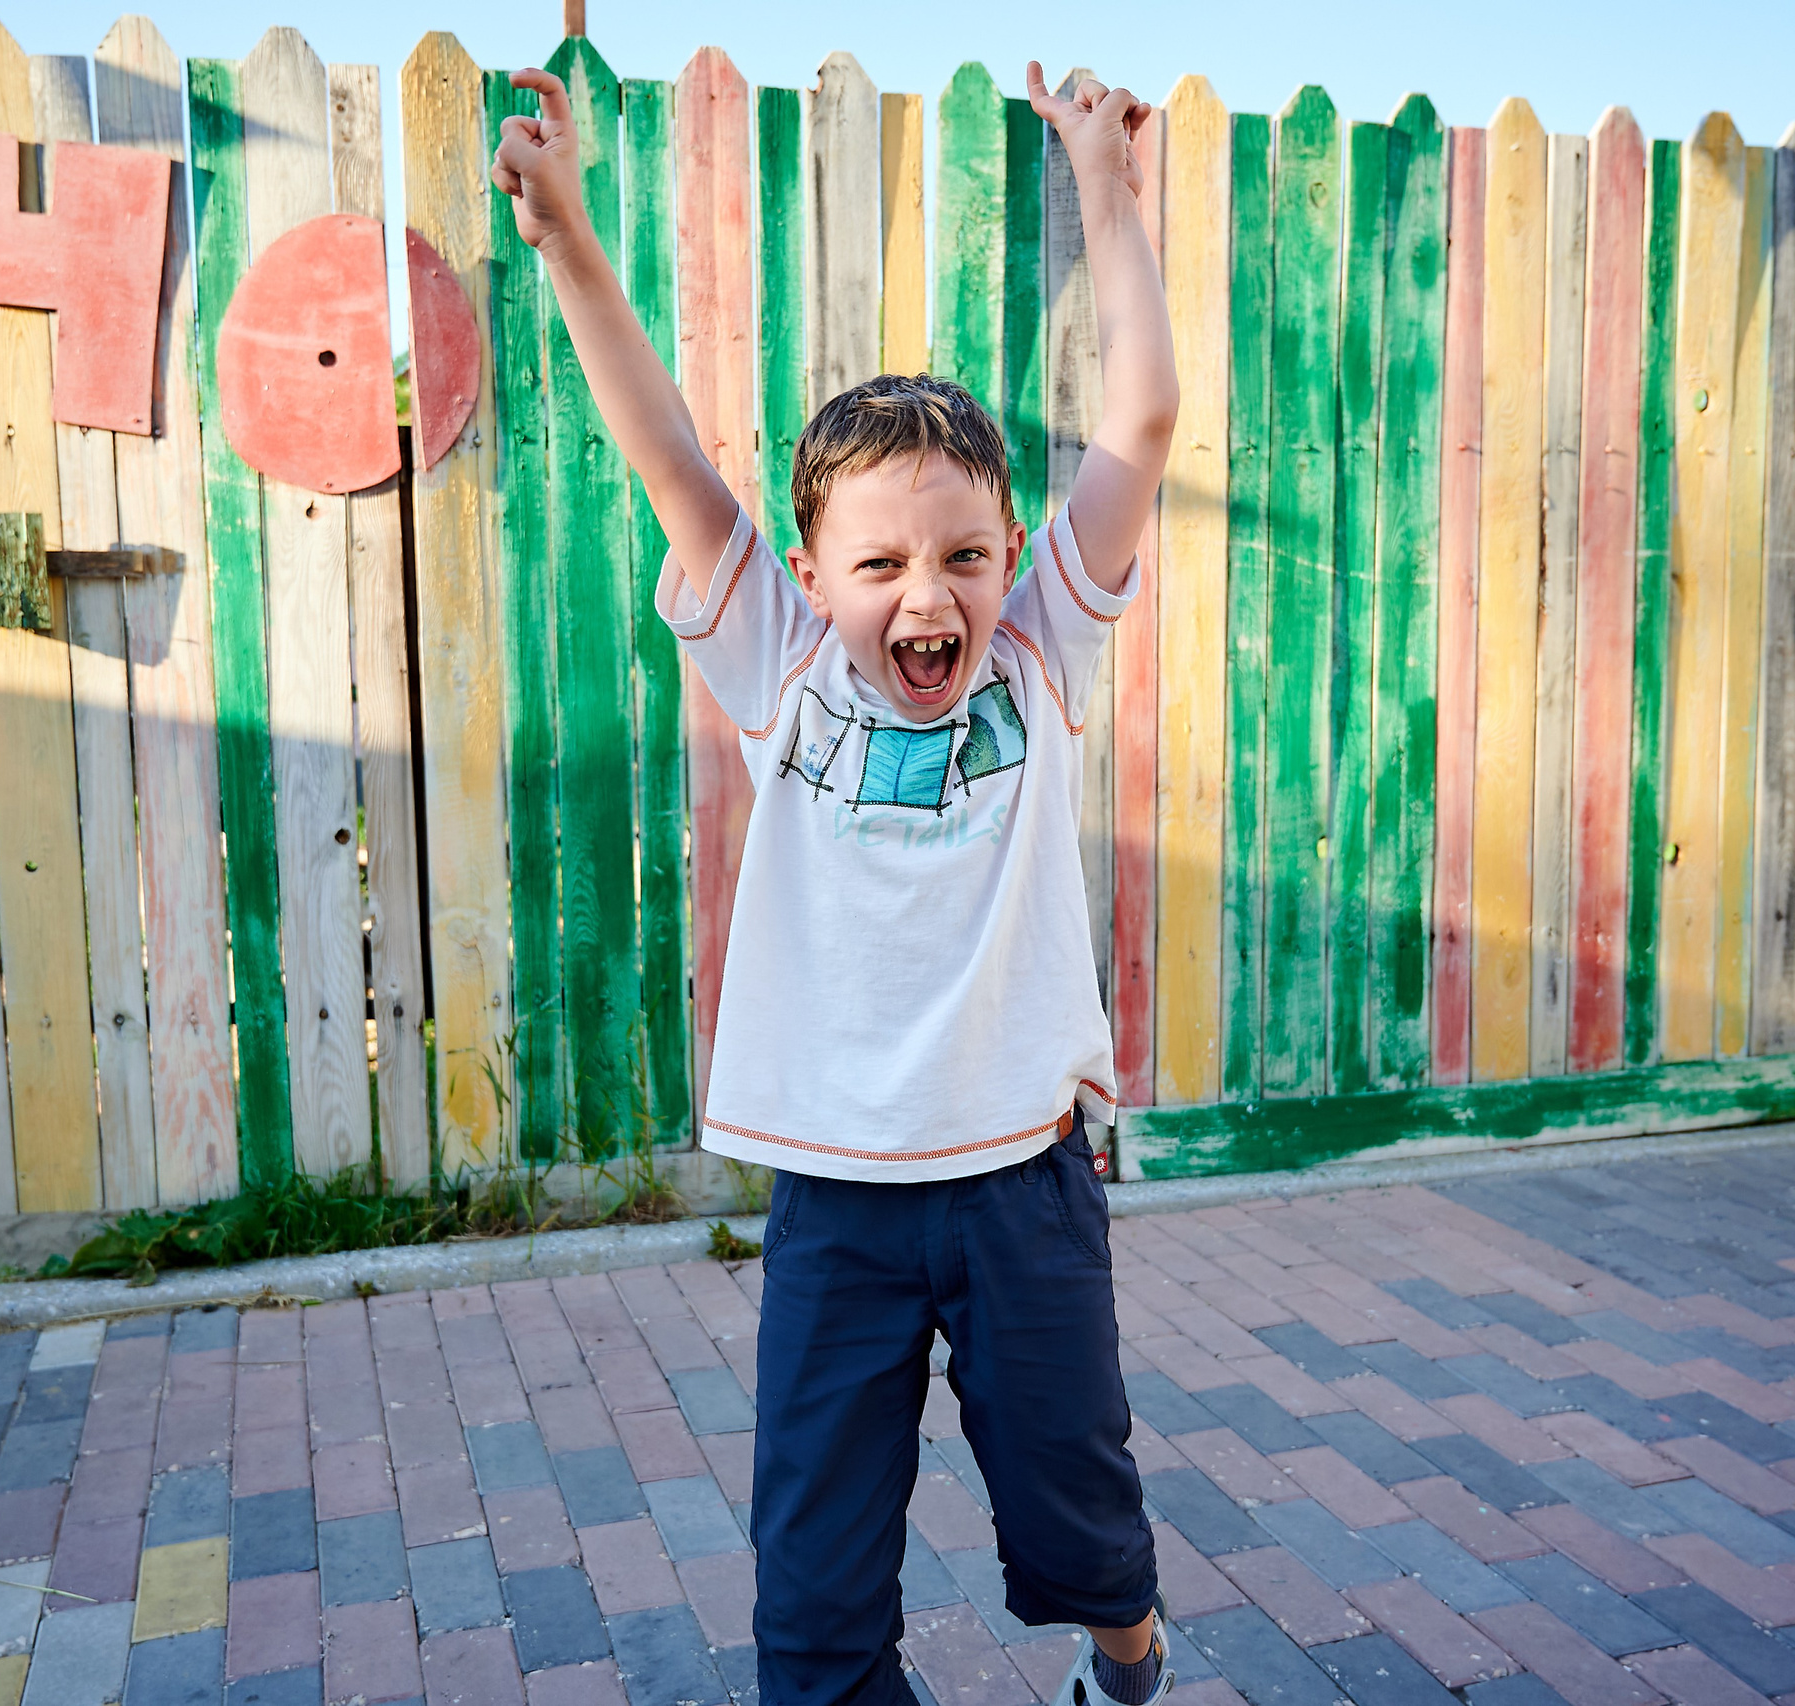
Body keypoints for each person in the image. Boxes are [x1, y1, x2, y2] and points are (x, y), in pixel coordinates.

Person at [492, 59, 1181, 1706]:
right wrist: (569, 231)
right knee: (808, 1619)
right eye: (880, 562)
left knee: (1083, 1529)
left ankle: (1131, 1655)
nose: (925, 594)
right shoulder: (780, 664)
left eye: (961, 552)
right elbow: (659, 441)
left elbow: (1143, 418)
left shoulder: (1039, 654)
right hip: (836, 1207)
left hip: (1023, 1176)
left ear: (1013, 558)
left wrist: (1105, 183)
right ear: (813, 575)